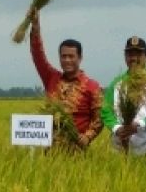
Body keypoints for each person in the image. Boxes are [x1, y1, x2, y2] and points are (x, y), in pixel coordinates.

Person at [29, 8, 103, 151]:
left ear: (80, 58)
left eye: (71, 56)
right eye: (63, 56)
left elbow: (99, 119)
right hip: (50, 151)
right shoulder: (52, 78)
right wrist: (35, 27)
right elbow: (38, 56)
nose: (67, 60)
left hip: (77, 151)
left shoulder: (92, 86)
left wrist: (87, 137)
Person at [100, 36, 146, 156]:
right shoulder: (116, 83)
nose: (133, 58)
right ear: (125, 57)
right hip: (120, 148)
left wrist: (139, 125)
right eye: (129, 54)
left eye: (138, 54)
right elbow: (106, 110)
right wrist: (117, 128)